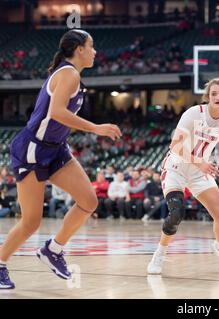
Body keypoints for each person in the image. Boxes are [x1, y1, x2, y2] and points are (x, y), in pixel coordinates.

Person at [0, 29, 122, 289]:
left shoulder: (72, 74)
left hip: (56, 148)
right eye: (92, 46)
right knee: (31, 221)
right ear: (79, 49)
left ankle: (53, 250)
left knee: (89, 200)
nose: (95, 51)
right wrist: (96, 127)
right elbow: (56, 113)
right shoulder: (68, 73)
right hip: (33, 148)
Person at [147, 78, 219, 275]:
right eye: (214, 94)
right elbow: (174, 145)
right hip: (176, 167)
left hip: (200, 172)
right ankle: (160, 253)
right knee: (176, 214)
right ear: (208, 97)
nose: (218, 97)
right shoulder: (193, 113)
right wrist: (200, 162)